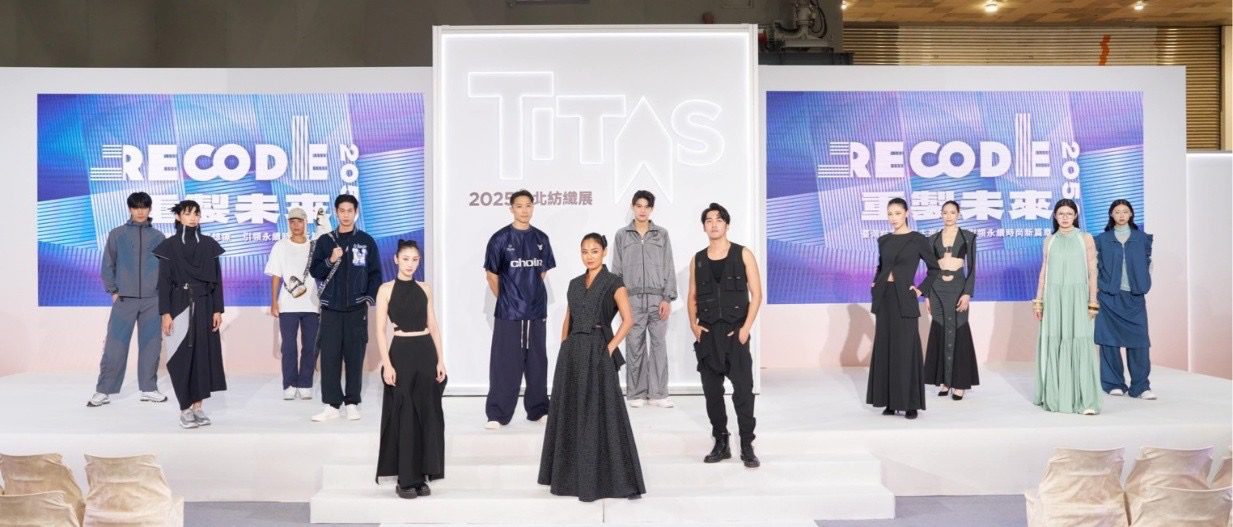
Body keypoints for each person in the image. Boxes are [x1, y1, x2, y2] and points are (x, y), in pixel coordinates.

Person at [538, 233, 645, 501]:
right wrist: (564, 345)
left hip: (598, 348)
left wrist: (609, 348)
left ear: (604, 252)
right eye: (584, 251)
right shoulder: (574, 284)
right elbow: (569, 317)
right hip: (573, 352)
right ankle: (569, 478)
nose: (589, 256)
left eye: (594, 251)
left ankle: (615, 480)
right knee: (571, 411)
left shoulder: (614, 282)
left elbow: (628, 319)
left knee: (605, 410)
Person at [688, 203, 763, 468]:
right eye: (708, 220)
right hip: (708, 335)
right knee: (712, 393)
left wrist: (745, 329)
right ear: (704, 227)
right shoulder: (698, 259)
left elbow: (757, 294)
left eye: (719, 220)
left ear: (727, 224)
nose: (714, 224)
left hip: (735, 334)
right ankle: (721, 442)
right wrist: (694, 326)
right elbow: (692, 296)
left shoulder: (743, 254)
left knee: (743, 391)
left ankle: (747, 445)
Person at [375, 240, 447, 499]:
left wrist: (440, 360)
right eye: (405, 259)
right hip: (401, 353)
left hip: (425, 352)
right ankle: (406, 479)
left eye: (415, 259)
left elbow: (434, 326)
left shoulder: (424, 288)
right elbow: (380, 331)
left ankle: (423, 475)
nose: (410, 264)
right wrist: (387, 364)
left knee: (427, 414)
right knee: (404, 415)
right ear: (396, 259)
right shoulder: (385, 289)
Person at [87, 192, 168, 407]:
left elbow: (166, 270)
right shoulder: (117, 234)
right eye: (136, 207)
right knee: (115, 345)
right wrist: (113, 290)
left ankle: (149, 388)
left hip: (152, 299)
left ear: (150, 209)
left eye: (144, 207)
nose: (140, 211)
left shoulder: (159, 237)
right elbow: (108, 264)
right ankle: (103, 390)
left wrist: (162, 295)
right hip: (124, 299)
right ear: (130, 209)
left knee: (151, 345)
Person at [483, 190, 555, 429]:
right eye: (519, 206)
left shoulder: (541, 238)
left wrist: (528, 296)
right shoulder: (499, 239)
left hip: (536, 311)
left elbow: (541, 273)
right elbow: (491, 275)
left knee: (537, 361)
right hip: (509, 313)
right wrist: (509, 299)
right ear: (511, 208)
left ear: (533, 207)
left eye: (528, 205)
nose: (524, 210)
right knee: (505, 362)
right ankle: (497, 414)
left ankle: (538, 409)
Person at [309, 194, 383, 422]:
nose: (346, 215)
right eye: (342, 211)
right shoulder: (325, 241)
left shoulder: (366, 241)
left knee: (354, 356)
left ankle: (352, 402)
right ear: (336, 213)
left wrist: (367, 298)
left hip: (356, 309)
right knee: (329, 357)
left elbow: (375, 273)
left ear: (356, 212)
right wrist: (330, 260)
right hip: (331, 309)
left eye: (350, 210)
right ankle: (331, 405)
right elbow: (315, 271)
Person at [153, 200, 226, 428]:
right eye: (187, 213)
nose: (193, 217)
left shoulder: (209, 244)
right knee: (180, 357)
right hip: (179, 305)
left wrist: (217, 309)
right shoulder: (169, 246)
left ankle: (198, 407)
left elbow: (217, 281)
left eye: (196, 213)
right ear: (178, 217)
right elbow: (164, 283)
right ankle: (184, 409)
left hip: (205, 305)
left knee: (203, 357)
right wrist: (165, 313)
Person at [867, 198, 940, 420]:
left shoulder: (917, 240)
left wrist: (920, 290)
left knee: (906, 350)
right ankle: (890, 402)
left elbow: (934, 269)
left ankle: (910, 404)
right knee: (886, 348)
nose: (893, 218)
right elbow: (881, 266)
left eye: (897, 213)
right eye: (890, 214)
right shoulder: (884, 240)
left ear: (906, 213)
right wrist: (876, 281)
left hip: (905, 299)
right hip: (885, 298)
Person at [1033, 199, 1102, 415]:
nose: (1065, 217)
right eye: (1061, 213)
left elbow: (1092, 271)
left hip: (1078, 298)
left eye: (1069, 214)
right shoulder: (1049, 240)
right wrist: (1039, 300)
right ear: (1055, 216)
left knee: (1080, 340)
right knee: (1055, 340)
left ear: (1075, 216)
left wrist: (1092, 301)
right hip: (1053, 298)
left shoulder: (1085, 238)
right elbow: (1044, 271)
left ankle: (1085, 400)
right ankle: (1055, 397)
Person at [610, 190, 677, 408]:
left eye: (646, 206)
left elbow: (668, 266)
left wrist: (667, 298)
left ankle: (659, 393)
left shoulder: (662, 234)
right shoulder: (622, 235)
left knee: (659, 347)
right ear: (632, 207)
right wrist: (620, 301)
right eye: (638, 206)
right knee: (634, 346)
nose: (642, 210)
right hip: (632, 300)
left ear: (651, 209)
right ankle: (636, 393)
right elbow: (616, 271)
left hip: (658, 299)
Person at [1094, 200, 1155, 400]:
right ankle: (1113, 383)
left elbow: (1148, 263)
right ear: (1111, 215)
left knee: (1139, 343)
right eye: (1117, 212)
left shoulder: (1142, 238)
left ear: (1131, 214)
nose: (1121, 215)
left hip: (1134, 297)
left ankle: (1141, 386)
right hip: (1109, 297)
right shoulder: (1101, 240)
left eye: (1125, 211)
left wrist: (1143, 282)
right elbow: (1094, 266)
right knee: (1108, 342)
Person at [922, 200, 980, 400]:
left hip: (958, 288)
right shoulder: (932, 239)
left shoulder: (968, 237)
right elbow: (930, 269)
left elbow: (972, 267)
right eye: (945, 212)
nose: (948, 216)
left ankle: (960, 383)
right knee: (940, 330)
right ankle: (945, 381)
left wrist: (967, 293)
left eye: (952, 212)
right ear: (941, 214)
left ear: (958, 214)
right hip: (937, 289)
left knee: (959, 330)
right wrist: (927, 295)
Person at [264, 207, 320, 401]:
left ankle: (305, 383)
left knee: (310, 346)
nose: (296, 225)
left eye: (300, 221)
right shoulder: (280, 246)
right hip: (287, 305)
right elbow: (276, 276)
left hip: (311, 304)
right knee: (288, 347)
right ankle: (289, 384)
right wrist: (274, 302)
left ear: (306, 222)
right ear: (288, 223)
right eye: (292, 221)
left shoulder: (314, 246)